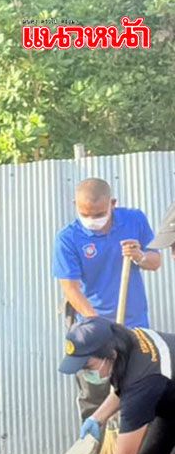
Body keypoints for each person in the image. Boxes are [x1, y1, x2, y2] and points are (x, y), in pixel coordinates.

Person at [53, 177, 161, 430]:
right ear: (75, 205)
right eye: (85, 214)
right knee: (95, 399)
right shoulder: (68, 238)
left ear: (113, 203)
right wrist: (100, 326)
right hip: (93, 330)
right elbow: (70, 288)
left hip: (135, 327)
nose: (92, 219)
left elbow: (155, 262)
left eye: (100, 213)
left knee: (140, 393)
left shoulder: (134, 221)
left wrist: (140, 256)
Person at [58, 317, 175, 454]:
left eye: (87, 366)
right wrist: (97, 418)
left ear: (109, 355)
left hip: (163, 390)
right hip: (170, 402)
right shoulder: (125, 345)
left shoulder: (143, 377)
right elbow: (123, 387)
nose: (84, 372)